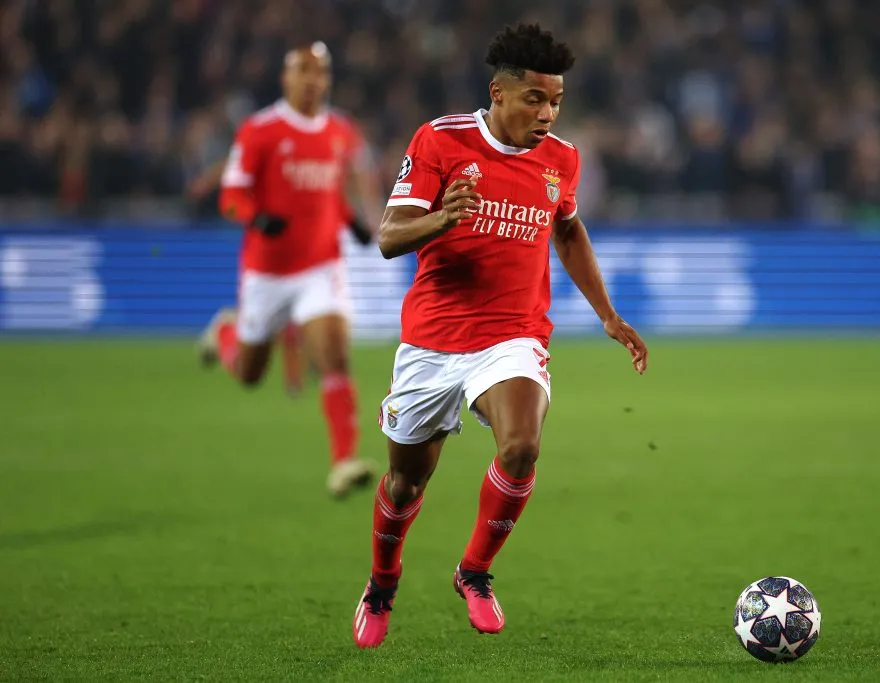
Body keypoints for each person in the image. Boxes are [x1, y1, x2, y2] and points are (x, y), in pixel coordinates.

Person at [352, 24, 648, 649]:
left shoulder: (561, 159)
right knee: (406, 483)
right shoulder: (441, 140)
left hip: (512, 335)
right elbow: (388, 238)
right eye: (536, 100)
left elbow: (567, 231)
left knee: (521, 446)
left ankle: (475, 572)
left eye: (557, 101)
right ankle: (382, 583)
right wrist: (442, 218)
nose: (547, 114)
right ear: (500, 93)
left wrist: (607, 314)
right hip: (433, 339)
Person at [196, 42, 381, 497]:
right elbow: (232, 194)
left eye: (320, 72)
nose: (313, 80)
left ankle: (343, 461)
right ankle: (226, 333)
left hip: (321, 267)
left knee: (336, 357)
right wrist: (256, 217)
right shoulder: (260, 130)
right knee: (248, 374)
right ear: (286, 78)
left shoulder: (340, 131)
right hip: (267, 273)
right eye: (303, 71)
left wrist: (352, 221)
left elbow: (329, 194)